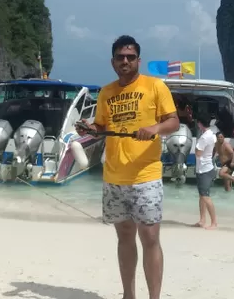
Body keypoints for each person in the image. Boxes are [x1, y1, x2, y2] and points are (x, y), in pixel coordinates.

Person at [75, 35, 179, 299]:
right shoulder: (106, 92)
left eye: (130, 57)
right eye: (120, 57)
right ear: (112, 61)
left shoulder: (155, 86)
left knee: (151, 237)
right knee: (124, 237)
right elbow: (101, 128)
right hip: (114, 176)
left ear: (138, 61)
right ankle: (128, 295)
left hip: (146, 175)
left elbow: (173, 122)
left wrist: (154, 128)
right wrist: (89, 129)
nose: (125, 61)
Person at [193, 113, 218, 230]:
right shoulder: (212, 135)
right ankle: (202, 220)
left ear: (199, 124)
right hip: (207, 168)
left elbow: (198, 153)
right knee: (202, 196)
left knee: (205, 196)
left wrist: (197, 148)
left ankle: (214, 222)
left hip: (204, 170)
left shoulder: (204, 137)